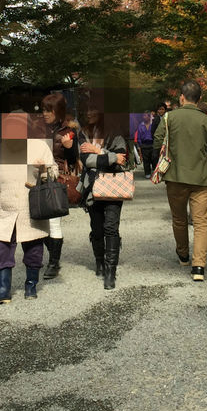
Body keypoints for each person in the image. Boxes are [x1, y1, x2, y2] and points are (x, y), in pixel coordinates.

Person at [0, 111, 57, 304]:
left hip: (31, 208)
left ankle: (31, 285)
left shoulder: (39, 147)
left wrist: (44, 170)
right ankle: (3, 289)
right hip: (6, 210)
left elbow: (54, 175)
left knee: (34, 250)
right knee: (1, 249)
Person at [152, 79, 207, 282]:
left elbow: (157, 142)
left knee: (179, 219)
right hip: (201, 177)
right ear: (199, 99)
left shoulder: (168, 118)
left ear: (181, 97)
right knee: (201, 223)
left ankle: (183, 255)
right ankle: (199, 267)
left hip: (175, 176)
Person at [79, 104, 128, 290]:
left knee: (111, 228)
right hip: (91, 187)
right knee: (97, 229)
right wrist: (111, 157)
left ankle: (110, 271)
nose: (89, 112)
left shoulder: (115, 133)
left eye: (94, 109)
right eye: (88, 109)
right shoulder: (83, 133)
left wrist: (98, 151)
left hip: (113, 186)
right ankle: (99, 261)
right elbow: (86, 161)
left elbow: (122, 159)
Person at [38, 92, 77, 280]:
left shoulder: (67, 131)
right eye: (44, 110)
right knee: (36, 218)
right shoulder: (36, 128)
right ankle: (52, 253)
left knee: (53, 221)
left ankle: (53, 262)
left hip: (56, 178)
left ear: (58, 111)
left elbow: (74, 159)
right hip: (34, 178)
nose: (45, 114)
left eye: (49, 110)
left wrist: (70, 147)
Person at [136, 111, 155, 178]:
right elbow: (139, 136)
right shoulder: (141, 125)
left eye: (145, 116)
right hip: (144, 145)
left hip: (152, 144)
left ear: (149, 116)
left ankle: (155, 173)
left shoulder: (153, 125)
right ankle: (147, 173)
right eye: (143, 116)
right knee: (146, 160)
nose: (144, 117)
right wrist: (140, 145)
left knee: (154, 159)